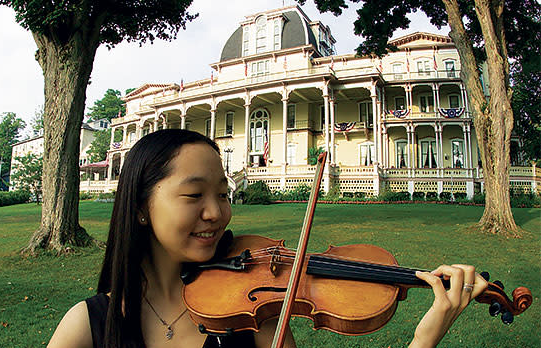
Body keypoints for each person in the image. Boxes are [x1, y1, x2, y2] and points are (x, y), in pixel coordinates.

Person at [47, 129, 487, 348]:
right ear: (141, 207)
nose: (217, 213)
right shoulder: (88, 327)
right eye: (194, 194)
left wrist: (423, 340)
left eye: (223, 193)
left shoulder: (255, 317)